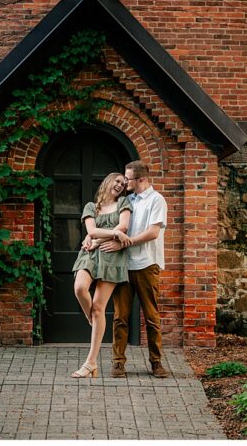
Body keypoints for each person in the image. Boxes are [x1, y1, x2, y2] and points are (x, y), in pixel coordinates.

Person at [99, 159, 169, 379]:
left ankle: (156, 362)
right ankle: (118, 363)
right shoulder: (126, 200)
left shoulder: (157, 200)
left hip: (147, 265)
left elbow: (153, 233)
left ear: (141, 179)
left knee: (150, 316)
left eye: (128, 179)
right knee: (120, 316)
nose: (124, 182)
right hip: (123, 266)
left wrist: (125, 242)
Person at [70, 173, 132, 379]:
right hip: (90, 254)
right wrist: (111, 234)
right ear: (108, 181)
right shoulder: (91, 207)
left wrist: (101, 236)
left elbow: (123, 227)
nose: (120, 185)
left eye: (123, 184)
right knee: (80, 288)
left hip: (113, 257)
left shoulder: (124, 202)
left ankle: (90, 363)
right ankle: (92, 319)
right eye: (117, 181)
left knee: (99, 307)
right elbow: (91, 230)